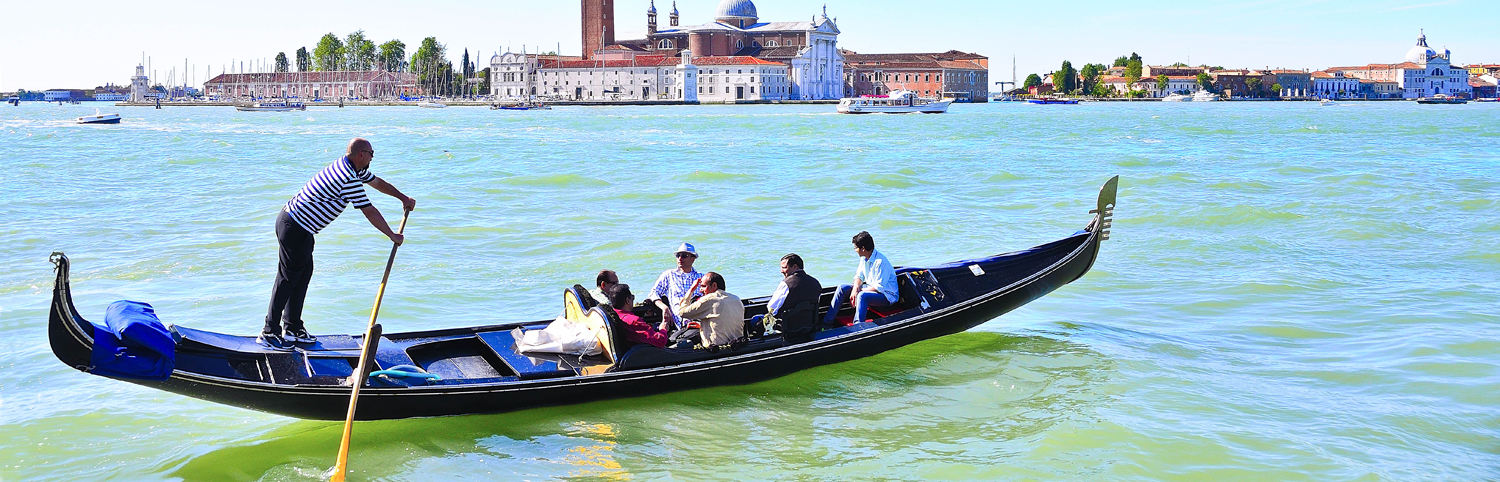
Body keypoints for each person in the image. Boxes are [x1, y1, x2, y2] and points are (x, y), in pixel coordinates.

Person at [260, 138, 416, 349]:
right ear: (361, 154)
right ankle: (269, 332)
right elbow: (369, 211)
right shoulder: (347, 177)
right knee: (287, 279)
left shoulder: (354, 168)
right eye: (372, 153)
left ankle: (293, 327)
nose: (373, 157)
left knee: (302, 276)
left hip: (301, 229)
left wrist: (402, 198)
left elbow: (377, 183)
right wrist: (392, 235)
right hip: (294, 226)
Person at [822, 231, 898, 327]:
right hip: (872, 291)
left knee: (862, 295)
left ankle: (858, 326)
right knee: (842, 287)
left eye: (856, 248)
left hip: (887, 297)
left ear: (863, 248)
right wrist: (855, 288)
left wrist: (858, 291)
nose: (855, 250)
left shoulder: (881, 262)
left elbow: (879, 288)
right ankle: (826, 322)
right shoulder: (864, 258)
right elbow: (859, 276)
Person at [676, 272, 745, 347]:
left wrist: (691, 289)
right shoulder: (736, 299)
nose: (700, 290)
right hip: (738, 345)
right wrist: (700, 326)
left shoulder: (709, 299)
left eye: (703, 286)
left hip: (716, 349)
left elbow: (682, 312)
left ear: (714, 286)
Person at [766, 253, 822, 343]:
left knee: (755, 320)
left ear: (795, 267)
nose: (781, 271)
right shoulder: (815, 283)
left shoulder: (786, 284)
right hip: (808, 327)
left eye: (784, 267)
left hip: (788, 329)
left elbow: (771, 308)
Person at [648, 242, 704, 329]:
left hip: (699, 319)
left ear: (692, 259)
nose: (680, 258)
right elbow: (654, 293)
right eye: (678, 255)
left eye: (684, 255)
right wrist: (664, 307)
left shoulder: (701, 277)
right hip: (681, 322)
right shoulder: (669, 275)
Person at [606, 284, 669, 349]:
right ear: (627, 300)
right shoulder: (633, 321)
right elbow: (660, 341)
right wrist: (663, 329)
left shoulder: (613, 315)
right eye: (632, 297)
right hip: (641, 354)